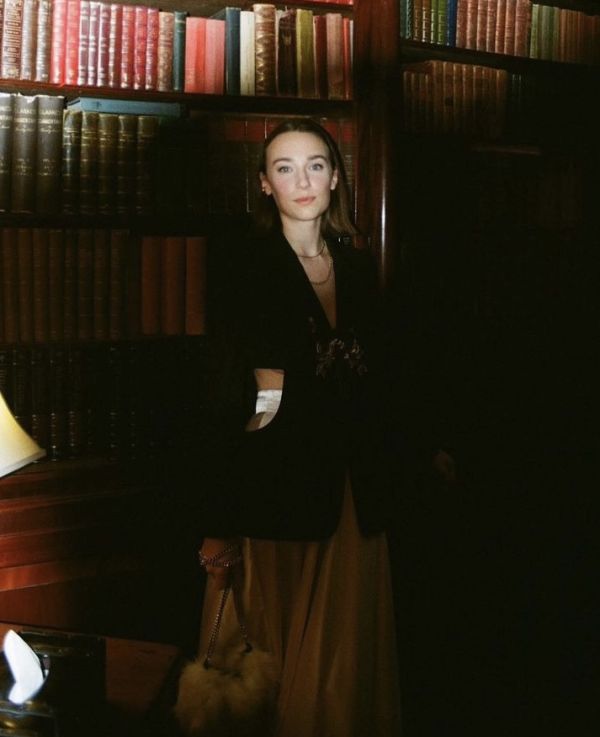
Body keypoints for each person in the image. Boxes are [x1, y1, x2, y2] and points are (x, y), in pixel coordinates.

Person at [195, 118, 402, 737]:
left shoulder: (359, 267)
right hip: (277, 489)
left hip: (356, 495)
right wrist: (216, 521)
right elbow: (223, 398)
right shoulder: (246, 268)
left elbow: (385, 383)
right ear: (265, 185)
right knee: (275, 665)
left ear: (335, 178)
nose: (302, 180)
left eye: (315, 165)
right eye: (284, 168)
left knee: (342, 662)